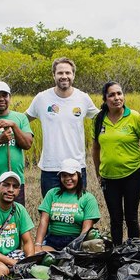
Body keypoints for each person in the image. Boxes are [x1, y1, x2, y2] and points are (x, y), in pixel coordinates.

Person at [25, 57, 99, 197]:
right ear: (53, 75)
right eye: (60, 73)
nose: (64, 76)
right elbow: (24, 119)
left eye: (68, 73)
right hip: (50, 167)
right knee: (51, 212)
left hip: (77, 166)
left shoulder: (83, 98)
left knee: (77, 212)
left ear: (73, 75)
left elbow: (101, 117)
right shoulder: (42, 98)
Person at [92, 82, 140, 245]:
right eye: (112, 95)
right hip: (109, 177)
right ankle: (116, 253)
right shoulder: (98, 119)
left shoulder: (134, 117)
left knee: (131, 217)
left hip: (133, 174)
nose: (117, 98)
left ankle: (133, 252)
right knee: (115, 219)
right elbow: (95, 149)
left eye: (119, 93)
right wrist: (98, 174)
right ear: (105, 98)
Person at [36, 158, 101, 251]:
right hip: (52, 240)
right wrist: (38, 245)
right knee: (42, 258)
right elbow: (44, 221)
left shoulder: (88, 198)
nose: (67, 179)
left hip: (76, 241)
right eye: (64, 175)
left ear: (79, 175)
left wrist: (75, 248)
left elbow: (86, 229)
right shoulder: (52, 194)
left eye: (71, 175)